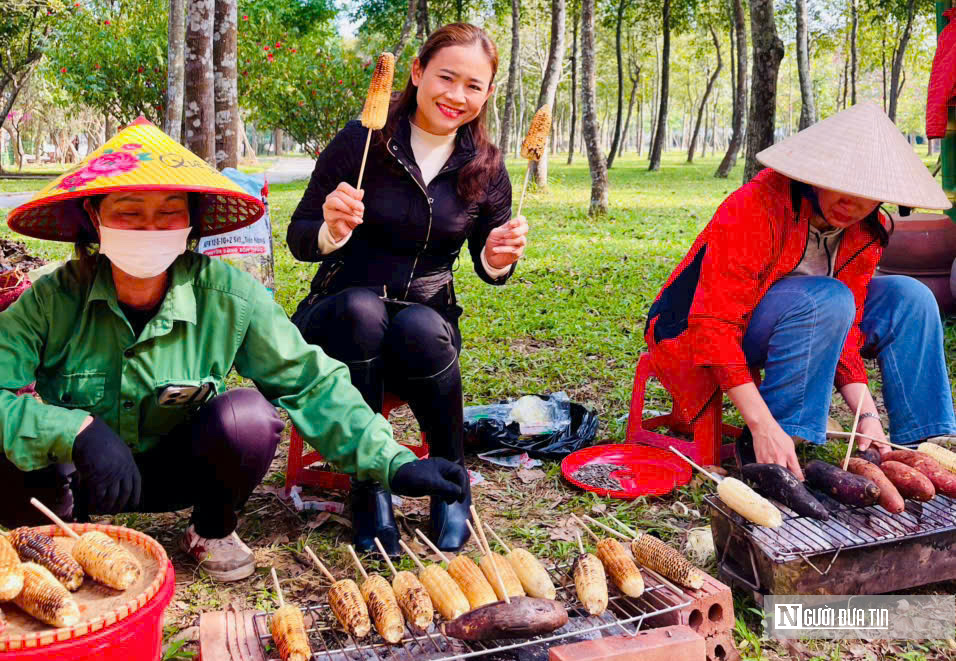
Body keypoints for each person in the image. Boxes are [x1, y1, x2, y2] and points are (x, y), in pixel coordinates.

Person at [0, 117, 468, 581]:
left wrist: (393, 461)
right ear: (94, 217)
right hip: (83, 477)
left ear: (190, 222)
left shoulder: (228, 296)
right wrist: (75, 430)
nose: (149, 226)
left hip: (180, 470)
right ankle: (50, 541)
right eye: (128, 211)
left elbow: (310, 382)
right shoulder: (51, 299)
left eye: (168, 211)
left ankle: (211, 529)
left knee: (249, 417)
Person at [287, 23, 528, 554]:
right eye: (446, 77)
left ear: (488, 94)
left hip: (421, 328)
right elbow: (299, 238)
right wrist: (330, 229)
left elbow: (491, 259)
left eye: (473, 86)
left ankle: (451, 482)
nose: (456, 96)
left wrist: (495, 260)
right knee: (361, 310)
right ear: (418, 73)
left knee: (420, 325)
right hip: (339, 319)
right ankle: (370, 485)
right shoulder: (360, 143)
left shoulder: (487, 168)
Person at [643, 101, 956, 478]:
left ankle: (919, 450)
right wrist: (761, 425)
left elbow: (848, 325)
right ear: (814, 174)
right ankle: (777, 440)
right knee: (827, 297)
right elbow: (714, 325)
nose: (850, 203)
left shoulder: (867, 230)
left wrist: (867, 414)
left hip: (816, 316)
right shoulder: (756, 206)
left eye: (867, 194)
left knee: (911, 297)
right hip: (699, 328)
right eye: (839, 184)